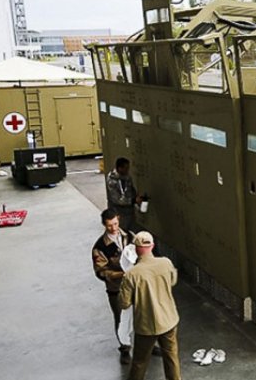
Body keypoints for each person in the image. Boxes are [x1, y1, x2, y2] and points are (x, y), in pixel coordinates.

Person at [120, 231, 181, 380]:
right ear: (152, 246)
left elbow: (124, 303)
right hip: (168, 321)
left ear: (135, 249)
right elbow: (172, 281)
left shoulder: (131, 274)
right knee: (171, 358)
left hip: (145, 326)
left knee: (140, 362)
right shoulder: (166, 263)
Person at [91, 209, 134, 365]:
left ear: (119, 220)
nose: (114, 228)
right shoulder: (100, 246)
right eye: (109, 226)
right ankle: (125, 348)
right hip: (116, 288)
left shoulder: (129, 236)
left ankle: (149, 345)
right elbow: (100, 272)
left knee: (143, 315)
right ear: (104, 225)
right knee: (121, 318)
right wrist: (120, 275)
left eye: (115, 224)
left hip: (135, 284)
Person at [106, 157, 142, 232]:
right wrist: (133, 200)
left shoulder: (127, 177)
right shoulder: (112, 180)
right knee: (121, 232)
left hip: (129, 212)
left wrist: (137, 198)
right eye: (126, 168)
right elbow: (117, 199)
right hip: (118, 212)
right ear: (119, 168)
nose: (127, 170)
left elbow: (131, 190)